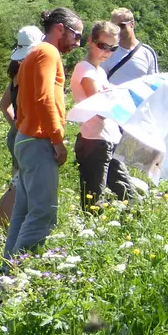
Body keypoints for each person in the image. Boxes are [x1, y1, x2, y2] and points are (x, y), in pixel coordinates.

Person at [4, 8, 84, 260]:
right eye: (76, 35)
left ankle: (9, 267)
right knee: (43, 212)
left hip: (26, 138)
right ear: (60, 28)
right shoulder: (48, 52)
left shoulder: (35, 53)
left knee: (23, 210)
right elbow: (44, 98)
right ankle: (22, 271)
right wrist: (57, 140)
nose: (78, 43)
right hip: (38, 140)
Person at [71, 19, 134, 211]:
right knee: (93, 200)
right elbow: (100, 105)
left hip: (108, 139)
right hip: (94, 141)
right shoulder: (85, 69)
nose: (107, 52)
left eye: (112, 48)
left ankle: (133, 223)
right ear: (91, 41)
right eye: (102, 46)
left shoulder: (98, 71)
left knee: (128, 195)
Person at [0, 25, 44, 242]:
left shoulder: (15, 72)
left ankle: (8, 227)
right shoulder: (28, 72)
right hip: (26, 132)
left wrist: (15, 124)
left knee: (18, 183)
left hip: (17, 132)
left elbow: (4, 105)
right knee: (17, 185)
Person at [105, 8, 159, 85]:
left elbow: (155, 84)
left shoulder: (147, 52)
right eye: (114, 27)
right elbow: (99, 82)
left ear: (132, 24)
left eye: (121, 26)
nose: (118, 31)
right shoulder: (107, 52)